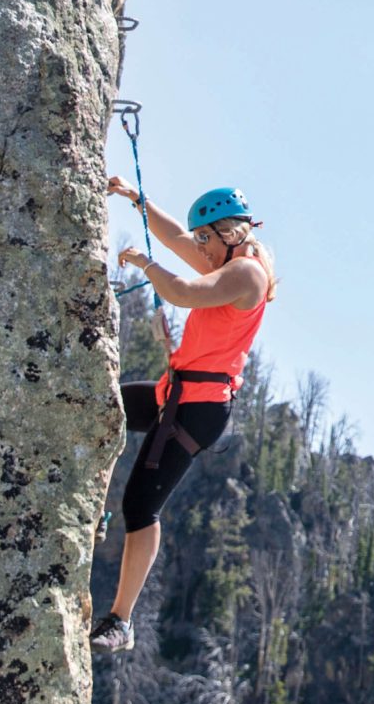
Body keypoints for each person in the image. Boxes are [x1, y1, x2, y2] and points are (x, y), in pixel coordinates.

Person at [88, 179, 277, 654]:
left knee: (141, 507)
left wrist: (143, 263)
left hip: (198, 410)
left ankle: (121, 621)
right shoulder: (226, 259)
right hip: (174, 394)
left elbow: (181, 292)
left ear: (229, 233)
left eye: (206, 240)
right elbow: (176, 237)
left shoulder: (246, 275)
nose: (200, 250)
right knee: (99, 407)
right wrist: (137, 200)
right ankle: (91, 503)